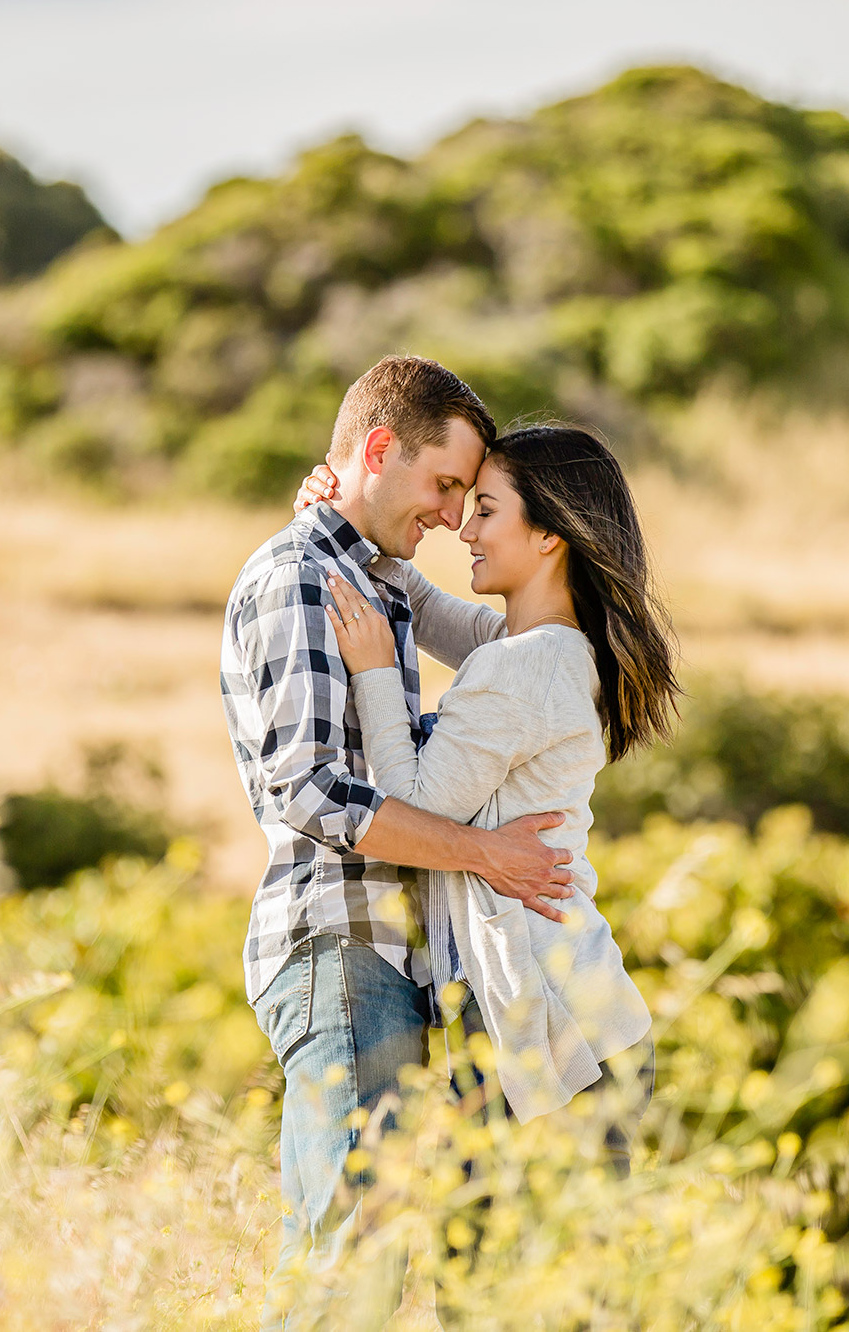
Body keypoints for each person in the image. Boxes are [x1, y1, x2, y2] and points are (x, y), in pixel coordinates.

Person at [220, 355, 576, 1329]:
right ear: (378, 449)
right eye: (444, 486)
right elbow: (311, 789)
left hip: (389, 954)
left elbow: (523, 650)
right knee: (345, 1263)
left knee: (374, 1260)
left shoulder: (373, 582)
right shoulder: (301, 576)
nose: (454, 516)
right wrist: (487, 852)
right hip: (339, 944)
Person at [312, 424, 679, 1150]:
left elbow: (413, 805)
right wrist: (345, 523)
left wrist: (376, 668)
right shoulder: (550, 651)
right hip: (576, 1008)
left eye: (485, 510)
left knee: (499, 1246)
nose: (464, 531)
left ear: (549, 536)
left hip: (549, 1014)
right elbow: (426, 603)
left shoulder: (523, 667)